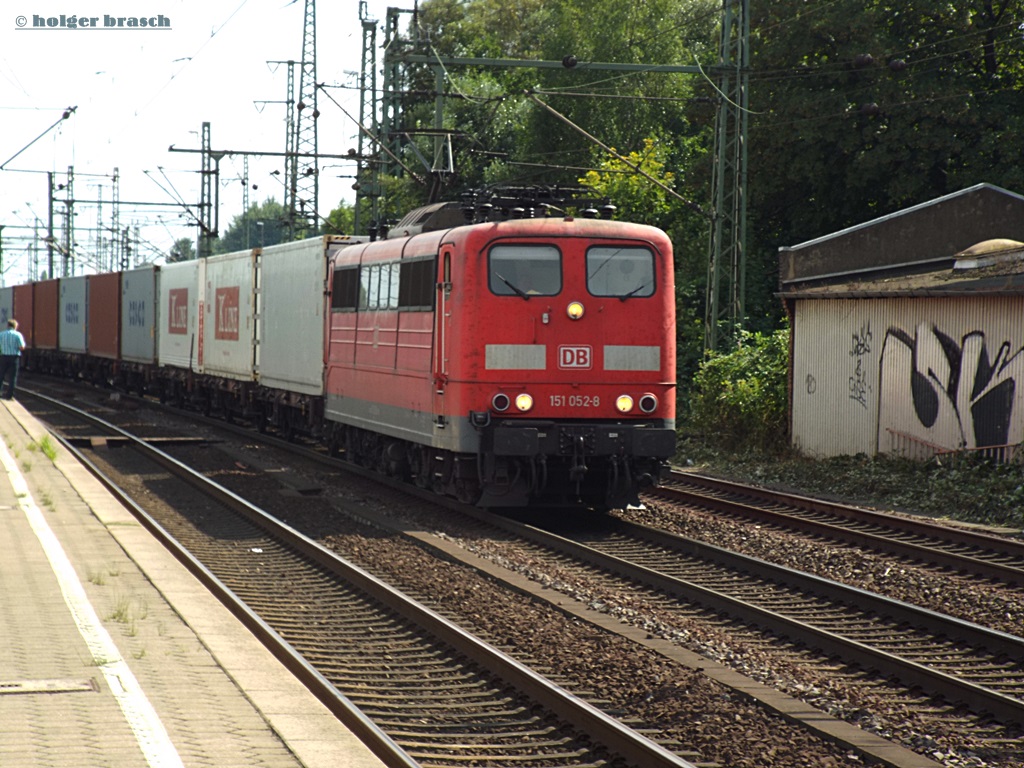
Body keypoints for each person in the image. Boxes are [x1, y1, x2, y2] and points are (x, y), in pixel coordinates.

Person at [0, 318, 27, 400]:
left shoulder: (1, 334)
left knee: (1, 376)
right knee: (12, 377)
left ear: (8, 325)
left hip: (3, 357)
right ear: (15, 326)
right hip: (14, 358)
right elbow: (22, 347)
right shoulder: (18, 335)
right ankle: (9, 395)